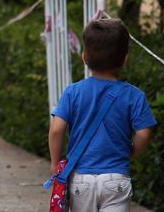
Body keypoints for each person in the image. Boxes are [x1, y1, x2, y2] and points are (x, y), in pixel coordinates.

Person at [47, 18, 156, 212]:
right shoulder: (134, 95)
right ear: (125, 59)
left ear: (84, 57)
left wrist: (55, 163)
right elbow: (144, 133)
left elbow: (56, 130)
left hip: (81, 179)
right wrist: (131, 152)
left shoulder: (73, 92)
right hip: (116, 178)